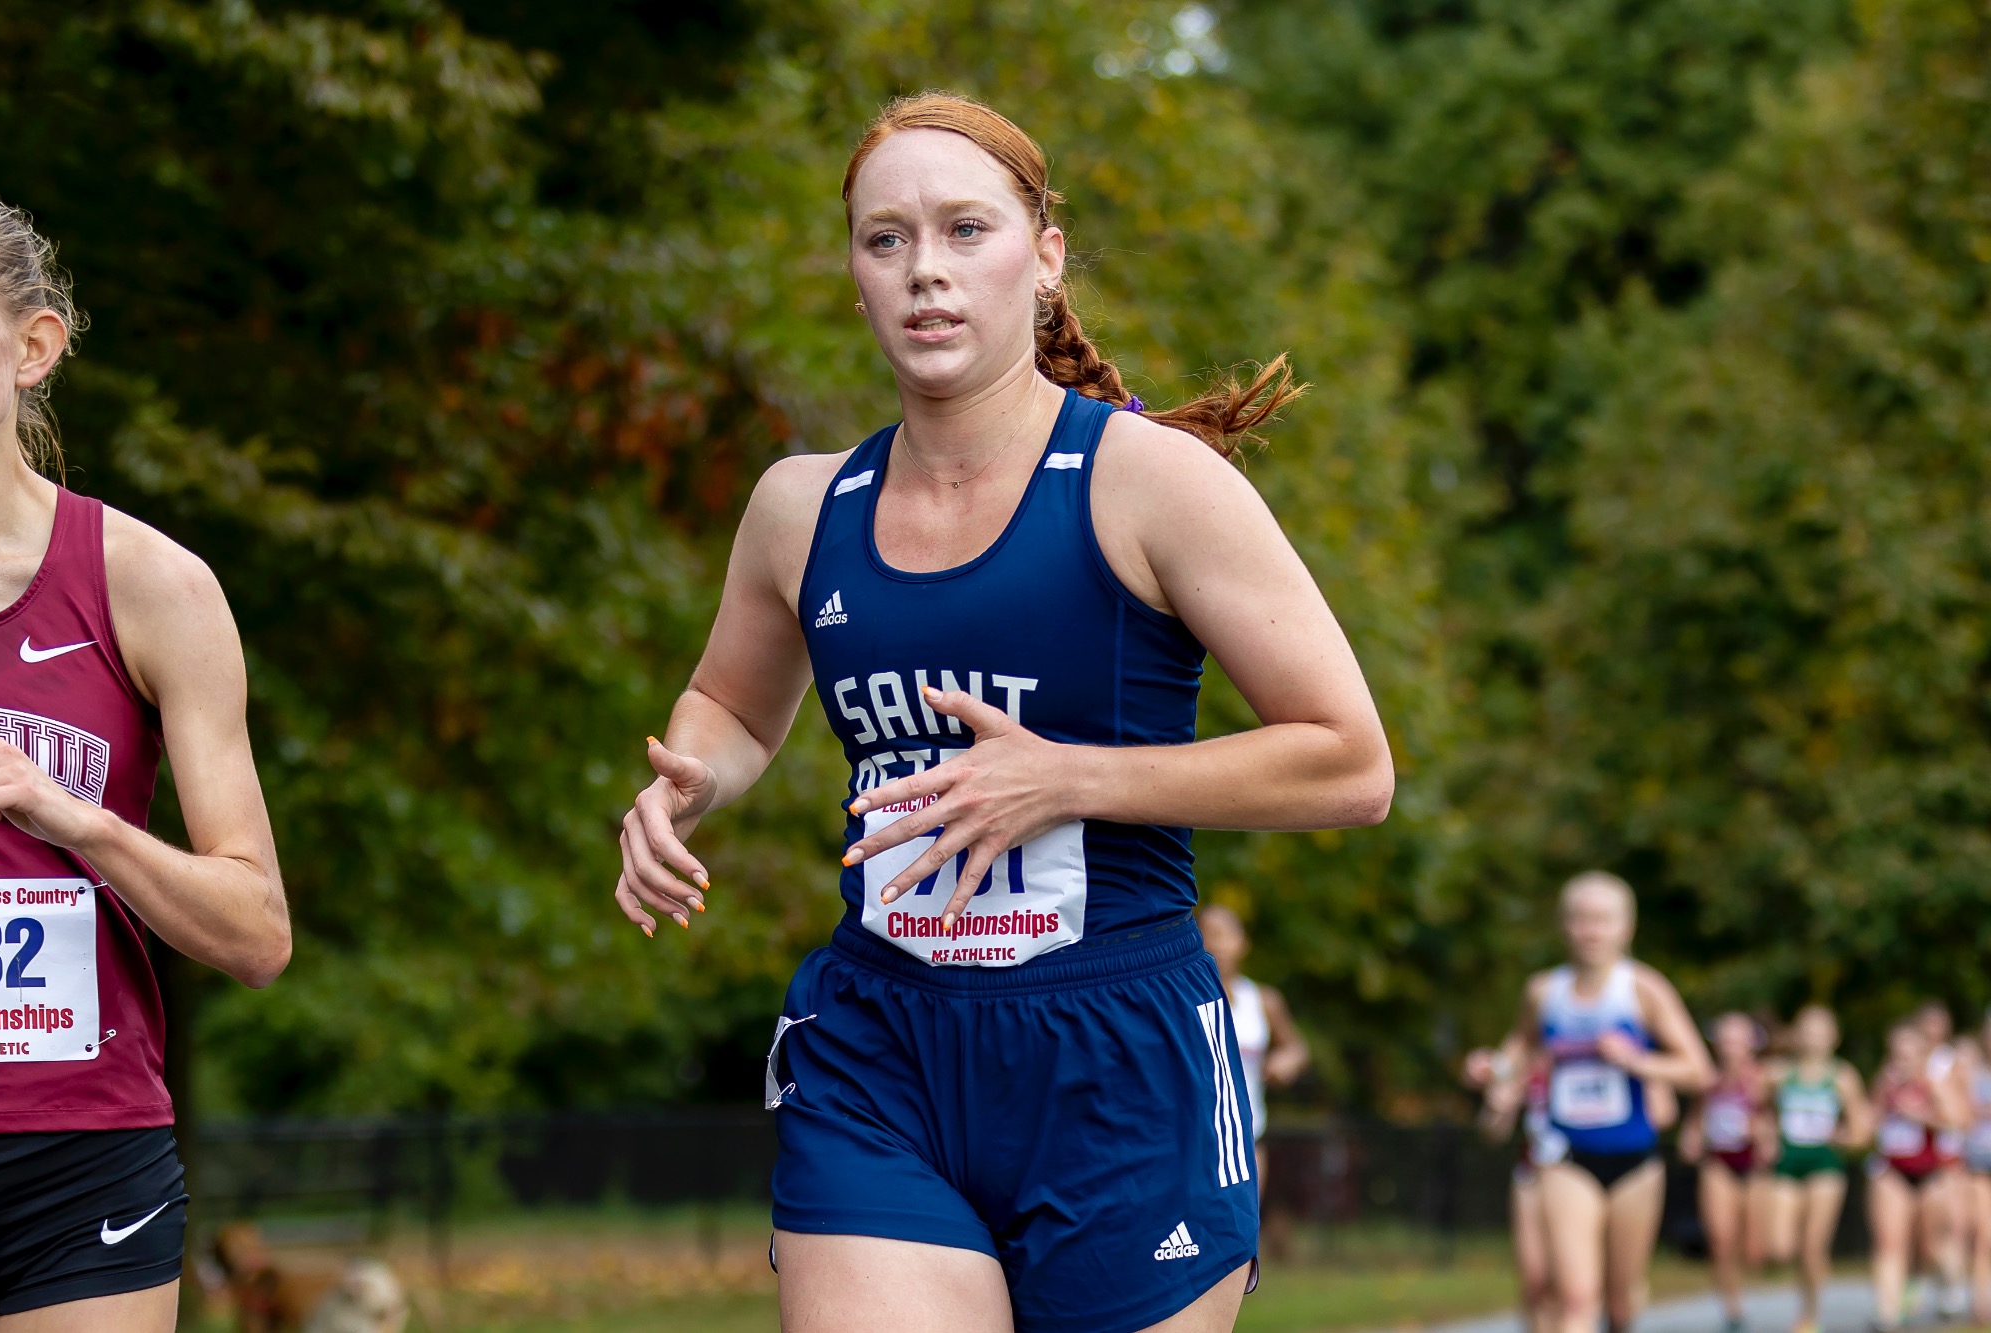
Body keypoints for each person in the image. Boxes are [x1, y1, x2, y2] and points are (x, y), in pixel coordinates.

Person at [611, 93, 1393, 1333]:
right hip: (879, 1045)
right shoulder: (799, 507)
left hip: (1116, 1056)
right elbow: (732, 707)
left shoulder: (1148, 482)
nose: (924, 270)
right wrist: (688, 782)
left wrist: (1067, 779)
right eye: (885, 239)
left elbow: (1349, 763)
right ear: (853, 273)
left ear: (1043, 259)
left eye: (964, 230)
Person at [0, 197, 290, 1331]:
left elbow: (258, 934)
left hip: (81, 1157)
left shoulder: (151, 586)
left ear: (33, 347)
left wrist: (77, 819)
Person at [1511, 871, 1713, 1333]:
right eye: (1580, 919)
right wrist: (1492, 1070)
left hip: (1635, 1166)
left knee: (1621, 1305)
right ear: (1564, 925)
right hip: (1566, 1160)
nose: (1590, 930)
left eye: (1602, 920)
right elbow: (1517, 1054)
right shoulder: (1544, 992)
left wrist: (1635, 1061)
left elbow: (1698, 1070)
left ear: (1627, 928)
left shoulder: (1643, 989)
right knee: (1577, 1297)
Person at [1760, 1004, 1869, 1333]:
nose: (1813, 1038)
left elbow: (1861, 1129)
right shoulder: (1778, 1073)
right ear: (1796, 1035)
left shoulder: (1843, 1076)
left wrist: (1844, 1137)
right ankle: (1801, 1289)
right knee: (1779, 1246)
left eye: (1821, 1031)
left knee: (1813, 1247)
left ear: (1834, 1038)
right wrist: (1766, 1136)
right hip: (1787, 1162)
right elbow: (1760, 1112)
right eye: (1807, 1030)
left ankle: (1809, 1315)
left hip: (1825, 1164)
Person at [1866, 1019, 1970, 1332]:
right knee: (1889, 1242)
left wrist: (1922, 1115)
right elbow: (1868, 1124)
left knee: (1932, 1244)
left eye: (1909, 1055)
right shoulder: (1885, 1084)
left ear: (1922, 1056)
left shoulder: (1934, 1083)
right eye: (1897, 1055)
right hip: (1892, 1171)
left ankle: (1950, 1286)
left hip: (1933, 1172)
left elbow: (1960, 1121)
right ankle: (1888, 1315)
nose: (1902, 1062)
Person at [1197, 905, 1310, 1186]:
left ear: (1243, 942)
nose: (1217, 943)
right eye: (1208, 934)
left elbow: (1297, 1047)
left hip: (1248, 1138)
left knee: (1243, 1226)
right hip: (1194, 1141)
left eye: (1225, 934)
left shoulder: (1263, 1000)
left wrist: (1285, 1061)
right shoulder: (1184, 1002)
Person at [1679, 1012, 1772, 1333]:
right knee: (1720, 1239)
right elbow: (1695, 1121)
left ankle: (1749, 1282)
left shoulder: (1763, 1080)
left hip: (1754, 1167)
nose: (1731, 1048)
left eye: (1738, 1041)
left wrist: (1763, 1134)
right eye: (1725, 1040)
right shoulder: (1708, 1080)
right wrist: (1690, 1140)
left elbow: (1776, 1123)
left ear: (1752, 1045)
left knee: (1755, 1249)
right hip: (1718, 1162)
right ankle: (1732, 1310)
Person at [1465, 1046, 1564, 1333]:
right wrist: (1497, 1105)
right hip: (1532, 1176)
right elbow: (1492, 1132)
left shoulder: (1589, 1054)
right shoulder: (1521, 1064)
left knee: (1568, 1284)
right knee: (1534, 1282)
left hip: (1578, 1176)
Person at [1957, 1019, 1991, 1322]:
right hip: (1978, 1161)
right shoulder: (1970, 1069)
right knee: (1983, 1235)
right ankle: (1981, 1304)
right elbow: (1958, 1110)